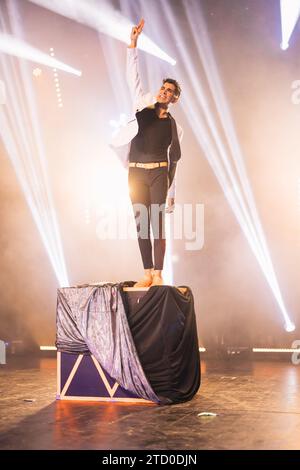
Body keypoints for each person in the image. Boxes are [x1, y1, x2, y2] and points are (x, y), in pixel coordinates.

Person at [110, 19, 183, 287]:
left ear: (174, 99)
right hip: (136, 172)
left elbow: (175, 160)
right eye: (163, 88)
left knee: (157, 224)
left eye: (170, 92)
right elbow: (134, 77)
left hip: (159, 174)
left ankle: (160, 275)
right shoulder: (142, 104)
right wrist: (133, 45)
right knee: (141, 223)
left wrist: (172, 193)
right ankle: (147, 273)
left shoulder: (175, 126)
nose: (164, 92)